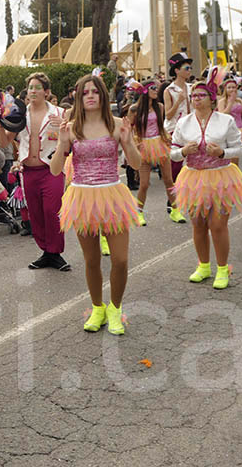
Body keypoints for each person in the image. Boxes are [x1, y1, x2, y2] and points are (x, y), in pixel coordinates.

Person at [51, 73, 139, 335]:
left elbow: (135, 163)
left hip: (112, 195)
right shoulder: (72, 127)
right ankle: (97, 307)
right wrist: (61, 142)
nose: (90, 96)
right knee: (91, 261)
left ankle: (115, 308)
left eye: (95, 91)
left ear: (102, 95)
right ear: (79, 97)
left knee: (120, 260)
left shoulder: (118, 124)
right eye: (85, 92)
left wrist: (128, 140)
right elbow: (56, 170)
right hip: (82, 197)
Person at [170, 70, 242, 290]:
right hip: (193, 177)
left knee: (218, 224)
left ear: (212, 98)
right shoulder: (184, 123)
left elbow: (239, 149)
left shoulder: (226, 121)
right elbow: (172, 152)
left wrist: (222, 153)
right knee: (198, 224)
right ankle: (203, 266)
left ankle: (222, 269)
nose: (196, 99)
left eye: (201, 95)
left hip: (221, 177)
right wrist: (183, 151)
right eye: (193, 96)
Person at [0, 72, 69, 270]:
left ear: (46, 92)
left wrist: (64, 127)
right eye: (30, 87)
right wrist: (0, 122)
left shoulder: (60, 113)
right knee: (35, 212)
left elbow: (71, 140)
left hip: (52, 170)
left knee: (52, 211)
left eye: (38, 87)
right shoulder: (19, 113)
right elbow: (4, 141)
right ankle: (46, 251)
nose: (33, 91)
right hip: (28, 170)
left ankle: (55, 252)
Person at [126, 78, 181, 225]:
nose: (156, 91)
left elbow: (160, 125)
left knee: (169, 180)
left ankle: (175, 210)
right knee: (144, 184)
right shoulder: (134, 109)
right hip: (144, 146)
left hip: (160, 144)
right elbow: (128, 128)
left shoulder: (160, 107)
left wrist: (167, 136)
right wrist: (134, 143)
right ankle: (139, 212)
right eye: (153, 89)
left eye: (157, 89)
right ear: (145, 91)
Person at [162, 52, 192, 222]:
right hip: (176, 131)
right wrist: (179, 100)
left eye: (190, 67)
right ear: (177, 70)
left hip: (192, 129)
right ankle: (172, 202)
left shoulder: (194, 87)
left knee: (193, 167)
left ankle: (187, 200)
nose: (189, 70)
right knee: (176, 168)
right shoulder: (169, 90)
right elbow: (167, 115)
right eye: (186, 67)